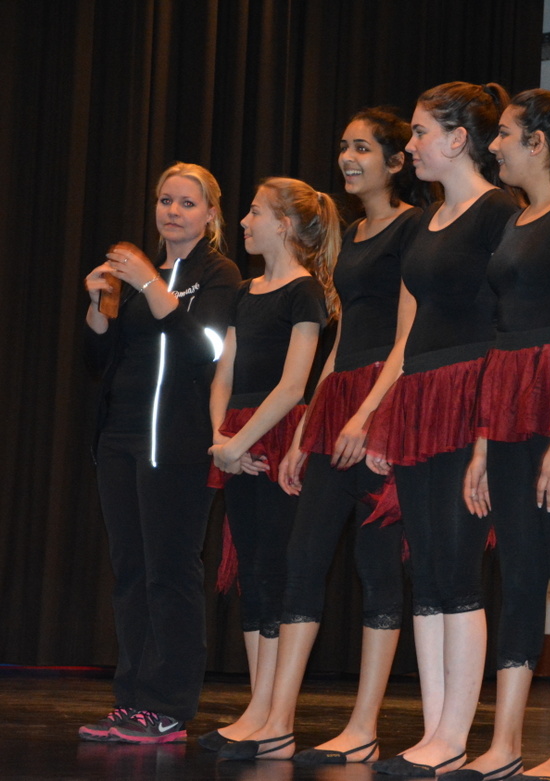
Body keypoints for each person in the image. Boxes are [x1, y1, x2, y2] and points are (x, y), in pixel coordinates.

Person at [202, 108, 430, 763]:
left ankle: (364, 726)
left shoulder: (413, 226)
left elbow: (407, 334)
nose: (348, 157)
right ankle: (274, 717)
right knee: (303, 559)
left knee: (377, 565)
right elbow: (342, 339)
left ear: (395, 162)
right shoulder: (352, 236)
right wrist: (308, 425)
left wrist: (370, 414)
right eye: (344, 146)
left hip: (383, 399)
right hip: (339, 401)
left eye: (363, 147)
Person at [453, 89, 550, 781]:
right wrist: (483, 445)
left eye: (505, 134)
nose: (494, 145)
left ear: (539, 142)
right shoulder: (517, 218)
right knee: (518, 575)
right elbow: (501, 334)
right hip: (509, 406)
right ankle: (506, 740)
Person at [365, 81, 519, 777]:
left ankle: (455, 733)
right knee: (425, 567)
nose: (412, 144)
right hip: (421, 397)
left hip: (469, 393)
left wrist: (487, 428)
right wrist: (384, 410)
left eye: (422, 131)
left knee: (458, 565)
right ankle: (434, 730)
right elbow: (408, 333)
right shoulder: (424, 222)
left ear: (459, 139)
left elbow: (509, 320)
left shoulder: (499, 212)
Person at [80, 163, 241, 744]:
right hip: (120, 439)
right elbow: (99, 363)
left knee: (169, 573)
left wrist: (152, 286)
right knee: (130, 572)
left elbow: (207, 349)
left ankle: (168, 705)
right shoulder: (138, 274)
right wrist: (98, 309)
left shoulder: (217, 273)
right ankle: (132, 700)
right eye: (165, 200)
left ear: (210, 215)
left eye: (187, 203)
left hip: (174, 445)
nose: (172, 211)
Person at [206, 177, 337, 759]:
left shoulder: (304, 292)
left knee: (273, 567)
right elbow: (225, 372)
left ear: (283, 224)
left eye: (255, 212)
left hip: (275, 436)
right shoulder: (246, 290)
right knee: (252, 570)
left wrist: (241, 442)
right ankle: (257, 708)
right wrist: (220, 438)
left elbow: (293, 385)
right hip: (236, 438)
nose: (243, 221)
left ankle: (271, 713)